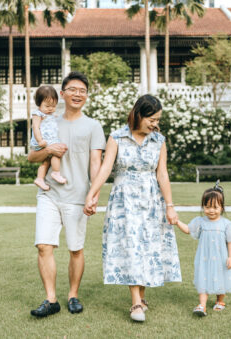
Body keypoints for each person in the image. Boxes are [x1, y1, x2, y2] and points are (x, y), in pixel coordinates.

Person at [84, 94, 184, 322]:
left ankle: (142, 297)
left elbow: (162, 174)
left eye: (158, 120)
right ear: (138, 115)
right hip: (124, 201)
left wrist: (170, 206)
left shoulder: (158, 140)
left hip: (151, 201)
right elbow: (105, 168)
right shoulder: (117, 137)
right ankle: (136, 302)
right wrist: (92, 194)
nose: (155, 124)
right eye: (152, 119)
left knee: (147, 247)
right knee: (131, 245)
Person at [29, 72, 106, 318]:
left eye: (82, 90)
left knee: (75, 249)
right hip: (49, 194)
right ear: (62, 94)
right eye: (72, 89)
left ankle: (73, 295)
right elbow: (32, 156)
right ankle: (51, 299)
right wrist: (48, 149)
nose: (77, 94)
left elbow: (96, 163)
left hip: (78, 196)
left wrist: (93, 194)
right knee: (43, 245)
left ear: (87, 96)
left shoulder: (93, 126)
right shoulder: (48, 120)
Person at [172, 182, 231, 317]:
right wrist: (177, 222)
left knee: (221, 277)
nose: (211, 210)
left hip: (221, 258)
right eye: (207, 207)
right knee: (203, 278)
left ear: (222, 207)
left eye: (215, 207)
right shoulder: (201, 222)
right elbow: (188, 229)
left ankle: (220, 301)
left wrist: (230, 257)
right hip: (204, 257)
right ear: (203, 206)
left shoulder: (226, 224)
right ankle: (202, 305)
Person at [29, 85, 67, 190]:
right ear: (39, 103)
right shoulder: (38, 114)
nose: (51, 109)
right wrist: (40, 140)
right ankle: (56, 172)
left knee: (46, 161)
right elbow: (35, 127)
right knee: (57, 153)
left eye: (53, 106)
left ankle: (40, 178)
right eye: (47, 106)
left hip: (48, 140)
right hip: (44, 140)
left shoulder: (50, 115)